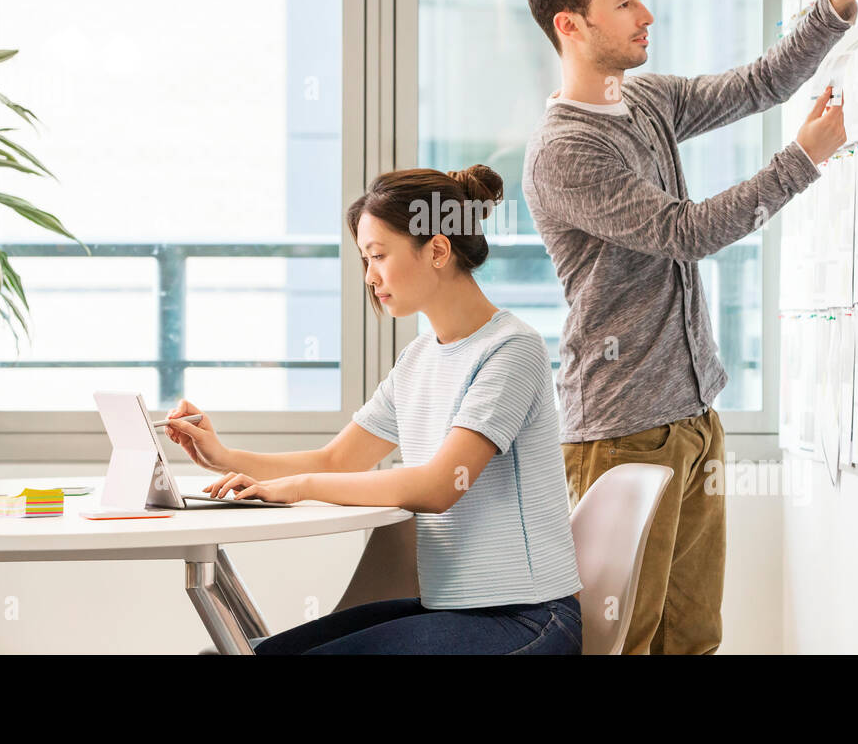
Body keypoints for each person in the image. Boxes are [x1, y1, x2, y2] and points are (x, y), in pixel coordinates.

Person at [520, 0, 858, 654]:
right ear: (571, 24)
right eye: (625, 3)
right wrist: (801, 161)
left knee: (691, 639)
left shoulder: (646, 100)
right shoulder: (566, 151)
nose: (646, 14)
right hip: (620, 430)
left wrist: (836, 5)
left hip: (691, 416)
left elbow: (758, 85)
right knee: (623, 641)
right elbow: (685, 231)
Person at [163, 165, 583, 654]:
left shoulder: (512, 350)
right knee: (241, 651)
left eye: (379, 256)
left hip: (530, 620)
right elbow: (338, 460)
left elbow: (441, 485)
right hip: (453, 613)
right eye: (366, 258)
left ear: (439, 250)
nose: (370, 276)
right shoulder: (419, 359)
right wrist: (224, 456)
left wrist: (299, 489)